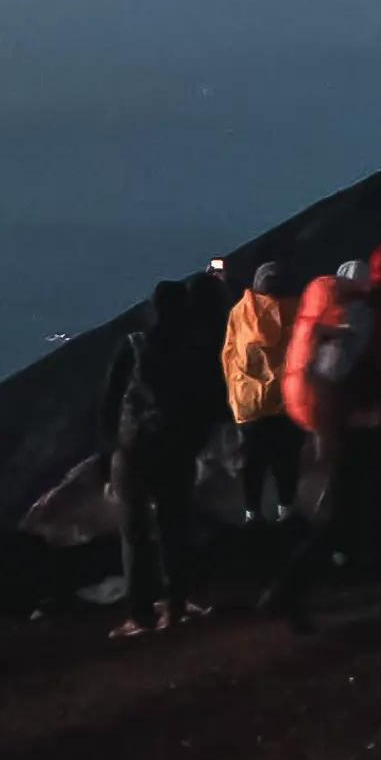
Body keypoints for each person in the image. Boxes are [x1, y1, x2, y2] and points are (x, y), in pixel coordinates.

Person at [262, 245, 381, 630]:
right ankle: (288, 591)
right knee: (352, 519)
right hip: (364, 433)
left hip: (372, 430)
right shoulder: (366, 315)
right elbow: (333, 374)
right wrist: (336, 429)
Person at [97, 280, 222, 637]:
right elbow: (210, 403)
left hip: (133, 451)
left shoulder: (134, 346)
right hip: (177, 450)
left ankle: (139, 615)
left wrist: (109, 451)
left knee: (134, 534)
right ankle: (177, 605)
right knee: (175, 528)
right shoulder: (195, 349)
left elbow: (108, 400)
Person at [220, 260, 304, 525]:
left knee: (253, 462)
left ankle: (252, 514)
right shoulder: (299, 311)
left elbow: (229, 355)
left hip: (250, 405)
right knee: (286, 459)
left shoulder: (241, 312)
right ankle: (286, 511)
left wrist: (236, 392)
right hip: (287, 401)